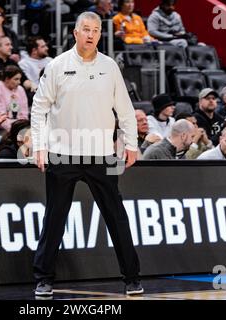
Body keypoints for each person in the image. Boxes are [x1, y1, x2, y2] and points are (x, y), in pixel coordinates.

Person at [31, 11, 143, 297]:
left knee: (116, 217)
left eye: (96, 30)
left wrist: (131, 143)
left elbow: (126, 110)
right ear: (75, 33)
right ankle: (43, 278)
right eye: (86, 29)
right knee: (54, 218)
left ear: (100, 35)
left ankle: (132, 278)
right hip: (62, 153)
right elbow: (39, 108)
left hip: (101, 155)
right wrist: (40, 146)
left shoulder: (110, 67)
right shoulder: (57, 66)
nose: (91, 34)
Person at [0, 65, 29, 132]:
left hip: (18, 128)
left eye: (20, 79)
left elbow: (24, 113)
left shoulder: (20, 89)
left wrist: (23, 128)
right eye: (16, 79)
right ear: (7, 79)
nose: (19, 82)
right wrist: (14, 130)